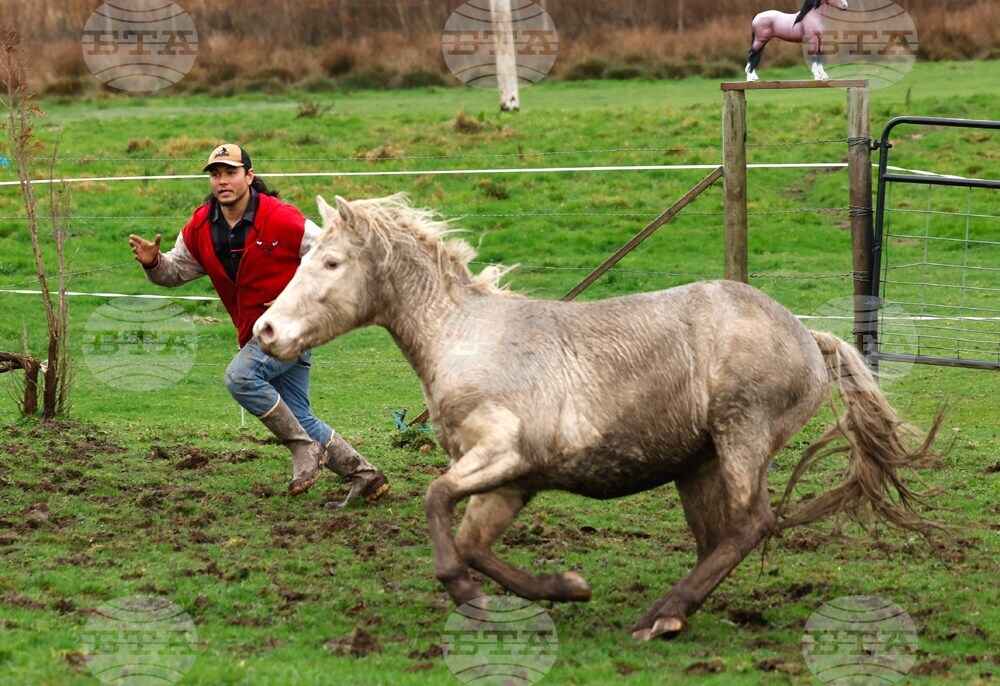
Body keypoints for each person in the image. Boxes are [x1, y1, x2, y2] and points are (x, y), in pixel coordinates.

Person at [128, 144, 389, 506]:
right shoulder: (200, 226)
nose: (222, 181)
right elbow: (176, 272)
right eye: (216, 174)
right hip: (253, 331)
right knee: (299, 416)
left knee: (241, 378)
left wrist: (300, 297)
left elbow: (333, 254)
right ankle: (366, 477)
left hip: (292, 329)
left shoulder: (282, 218)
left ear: (249, 177)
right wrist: (154, 263)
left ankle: (304, 451)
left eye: (231, 172)